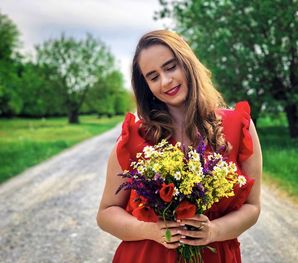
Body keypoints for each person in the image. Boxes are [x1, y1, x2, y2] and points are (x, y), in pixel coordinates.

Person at [96, 29, 262, 263]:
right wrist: (151, 231)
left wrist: (214, 231)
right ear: (146, 86)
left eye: (171, 67)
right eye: (153, 77)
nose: (165, 81)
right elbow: (106, 214)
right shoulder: (135, 136)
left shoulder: (237, 126)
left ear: (187, 63)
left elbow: (253, 207)